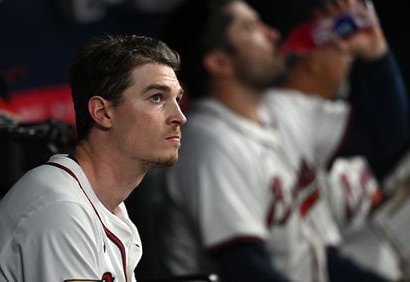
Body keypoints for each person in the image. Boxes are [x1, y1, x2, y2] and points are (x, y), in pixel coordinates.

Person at [157, 0, 408, 281]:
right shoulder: (210, 144)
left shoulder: (279, 109)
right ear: (219, 62)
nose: (273, 34)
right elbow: (246, 269)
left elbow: (387, 135)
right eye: (251, 28)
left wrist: (375, 54)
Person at [0, 34, 187, 282]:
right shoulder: (60, 206)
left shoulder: (107, 204)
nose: (180, 116)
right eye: (157, 98)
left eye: (178, 99)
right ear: (102, 112)